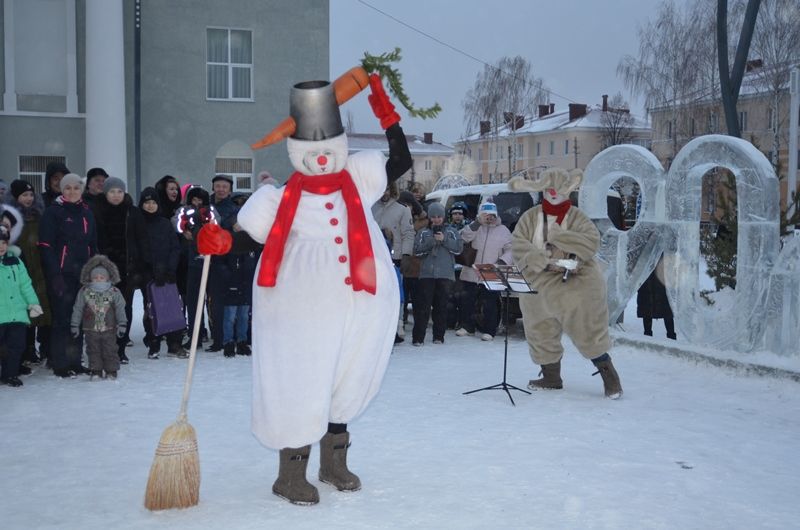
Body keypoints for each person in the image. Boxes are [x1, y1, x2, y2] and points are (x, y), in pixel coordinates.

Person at [237, 74, 412, 505]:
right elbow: (244, 235)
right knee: (302, 381)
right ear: (297, 153)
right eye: (310, 153)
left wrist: (386, 114)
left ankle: (333, 463)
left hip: (362, 307)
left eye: (327, 152)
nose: (320, 160)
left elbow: (400, 162)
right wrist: (218, 240)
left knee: (346, 381)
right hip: (301, 313)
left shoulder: (358, 176)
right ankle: (289, 473)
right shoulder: (278, 198)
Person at [509, 167, 622, 399]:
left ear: (568, 191)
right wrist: (534, 256)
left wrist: (561, 236)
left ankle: (609, 376)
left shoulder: (578, 217)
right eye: (548, 189)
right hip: (540, 282)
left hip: (575, 281)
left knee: (587, 329)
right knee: (539, 329)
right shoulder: (531, 217)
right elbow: (518, 242)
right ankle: (551, 376)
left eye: (558, 190)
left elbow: (591, 244)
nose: (552, 194)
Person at [39, 172, 97, 378]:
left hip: (82, 274)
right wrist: (55, 274)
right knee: (62, 319)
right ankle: (60, 363)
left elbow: (93, 244)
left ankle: (75, 360)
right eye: (67, 188)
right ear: (62, 190)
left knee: (79, 318)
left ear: (81, 190)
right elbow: (46, 245)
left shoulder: (87, 212)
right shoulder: (53, 213)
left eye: (76, 188)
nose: (72, 191)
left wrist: (94, 270)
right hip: (62, 274)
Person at [93, 176, 147, 364]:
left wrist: (138, 264)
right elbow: (96, 239)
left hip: (127, 269)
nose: (116, 196)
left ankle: (120, 347)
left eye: (119, 192)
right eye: (112, 191)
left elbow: (141, 240)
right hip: (104, 270)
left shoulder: (132, 212)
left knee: (124, 309)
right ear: (105, 193)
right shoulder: (97, 211)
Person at [134, 187, 185, 359]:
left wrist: (170, 268)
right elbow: (139, 249)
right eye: (147, 202)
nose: (150, 206)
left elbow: (174, 247)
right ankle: (153, 342)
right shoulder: (137, 223)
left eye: (153, 202)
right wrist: (152, 269)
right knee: (151, 309)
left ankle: (174, 344)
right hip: (148, 274)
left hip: (168, 273)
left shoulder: (164, 223)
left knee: (171, 308)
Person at [6, 180, 50, 366]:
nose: (29, 198)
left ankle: (37, 347)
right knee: (23, 309)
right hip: (19, 267)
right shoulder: (10, 217)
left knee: (38, 306)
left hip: (38, 266)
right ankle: (25, 349)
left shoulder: (40, 215)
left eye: (31, 194)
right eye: (24, 195)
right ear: (16, 197)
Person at [456, 199, 513, 341]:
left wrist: (501, 262)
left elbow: (512, 249)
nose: (489, 218)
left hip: (491, 270)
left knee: (490, 303)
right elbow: (462, 237)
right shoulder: (475, 227)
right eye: (486, 214)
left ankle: (489, 330)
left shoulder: (503, 231)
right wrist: (477, 223)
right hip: (472, 270)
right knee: (467, 300)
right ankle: (467, 326)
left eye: (492, 215)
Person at [411, 202, 462, 345]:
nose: (436, 220)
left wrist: (444, 239)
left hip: (445, 275)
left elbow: (458, 249)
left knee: (441, 307)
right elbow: (417, 251)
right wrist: (432, 241)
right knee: (423, 308)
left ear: (444, 217)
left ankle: (439, 336)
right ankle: (418, 338)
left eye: (439, 216)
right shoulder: (423, 232)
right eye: (433, 217)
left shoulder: (451, 231)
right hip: (427, 275)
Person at [70, 255, 127, 380]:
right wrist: (75, 324)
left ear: (107, 278)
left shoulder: (114, 292)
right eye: (95, 278)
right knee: (93, 350)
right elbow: (78, 308)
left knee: (110, 349)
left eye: (102, 278)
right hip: (90, 329)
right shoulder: (85, 291)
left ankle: (111, 370)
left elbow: (120, 309)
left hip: (109, 328)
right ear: (90, 278)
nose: (98, 280)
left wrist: (122, 324)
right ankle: (96, 370)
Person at [0, 225, 42, 387]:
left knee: (16, 346)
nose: (1, 246)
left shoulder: (16, 262)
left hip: (17, 313)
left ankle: (10, 374)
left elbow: (26, 285)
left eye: (4, 242)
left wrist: (33, 303)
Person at [372, 182, 414, 341]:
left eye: (388, 189)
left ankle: (398, 325)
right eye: (382, 189)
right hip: (374, 256)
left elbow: (408, 234)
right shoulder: (370, 207)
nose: (385, 193)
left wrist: (406, 255)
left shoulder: (402, 209)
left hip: (394, 257)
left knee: (397, 295)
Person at [396, 190, 428, 337]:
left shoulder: (423, 222)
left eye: (409, 204)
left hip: (416, 266)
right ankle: (399, 323)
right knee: (400, 296)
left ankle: (419, 328)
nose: (406, 207)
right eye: (403, 204)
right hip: (400, 262)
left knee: (417, 299)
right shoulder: (396, 218)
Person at [637, 255, 676, 340]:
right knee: (647, 308)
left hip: (662, 278)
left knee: (666, 310)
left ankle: (671, 337)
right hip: (648, 278)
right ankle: (648, 336)